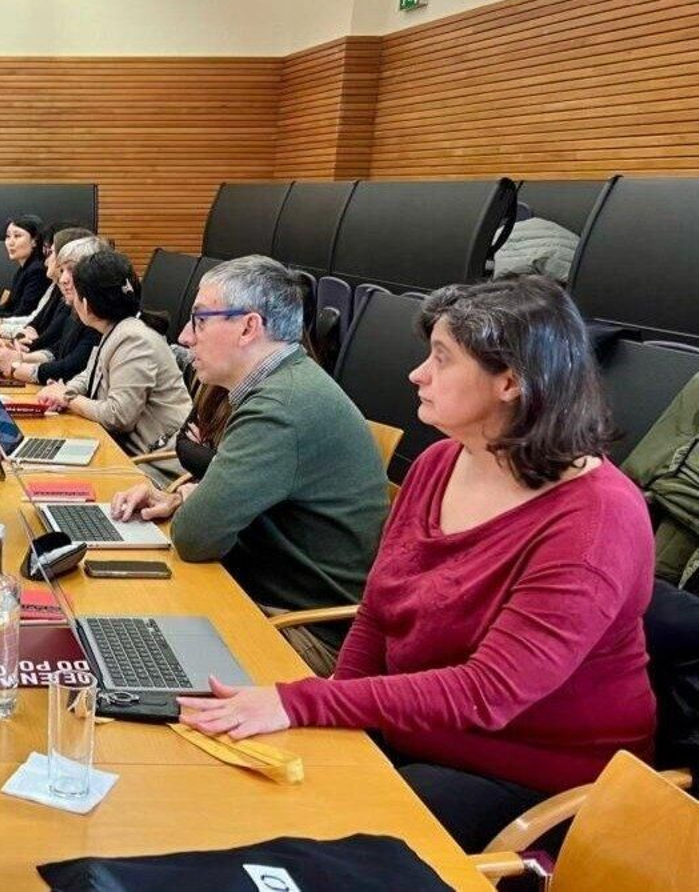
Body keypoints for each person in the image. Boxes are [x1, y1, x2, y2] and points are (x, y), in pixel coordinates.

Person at [172, 275, 657, 854]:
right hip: (413, 733)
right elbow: (378, 612)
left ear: (510, 382)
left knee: (310, 842)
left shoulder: (595, 518)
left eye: (442, 360)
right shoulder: (438, 462)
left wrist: (306, 702)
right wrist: (333, 718)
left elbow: (488, 693)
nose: (417, 374)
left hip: (525, 775)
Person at [109, 256, 386, 671]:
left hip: (301, 632)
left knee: (120, 649)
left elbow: (196, 537)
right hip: (259, 596)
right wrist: (181, 496)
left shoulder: (281, 408)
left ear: (248, 328)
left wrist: (191, 507)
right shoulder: (286, 384)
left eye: (200, 320)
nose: (185, 336)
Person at [35, 250, 191, 455]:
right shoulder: (116, 329)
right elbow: (90, 376)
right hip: (124, 452)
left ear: (85, 303)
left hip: (154, 462)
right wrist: (62, 392)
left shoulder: (133, 338)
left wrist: (67, 397)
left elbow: (118, 417)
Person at [0, 235, 106, 384]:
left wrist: (16, 367)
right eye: (62, 271)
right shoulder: (75, 311)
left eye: (71, 270)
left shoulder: (98, 318)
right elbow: (56, 350)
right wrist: (20, 358)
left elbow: (70, 368)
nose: (63, 279)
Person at [0, 214, 47, 319]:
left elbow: (23, 314)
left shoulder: (38, 271)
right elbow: (9, 306)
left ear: (34, 240)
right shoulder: (23, 269)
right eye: (8, 236)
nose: (10, 242)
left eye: (17, 236)